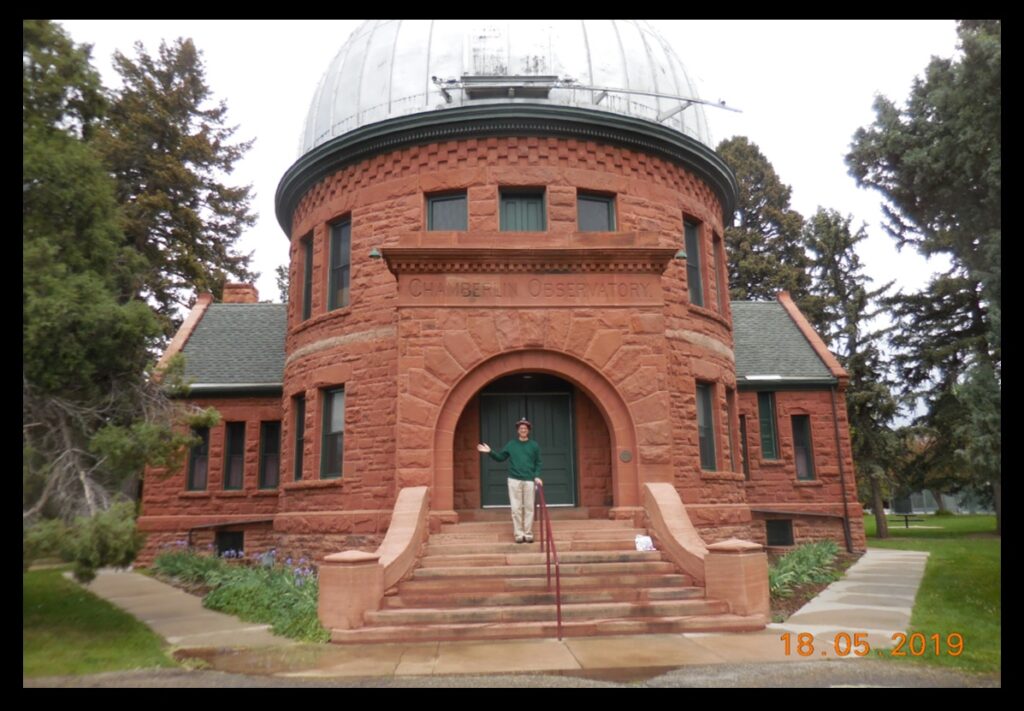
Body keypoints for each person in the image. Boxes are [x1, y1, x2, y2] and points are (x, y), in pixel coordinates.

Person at [478, 418, 543, 543]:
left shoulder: (534, 445)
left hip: (529, 480)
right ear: (518, 430)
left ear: (528, 430)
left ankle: (528, 533)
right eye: (520, 428)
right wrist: (490, 452)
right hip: (514, 480)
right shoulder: (511, 444)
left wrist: (537, 475)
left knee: (529, 508)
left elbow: (538, 462)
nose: (523, 430)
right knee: (516, 508)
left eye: (525, 428)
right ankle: (519, 533)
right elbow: (501, 458)